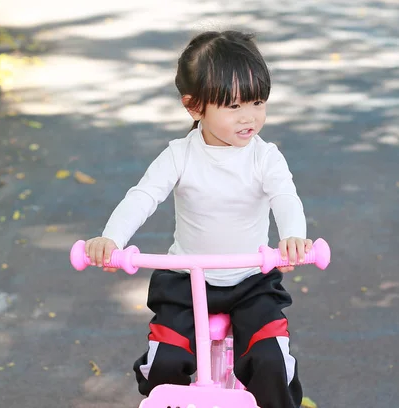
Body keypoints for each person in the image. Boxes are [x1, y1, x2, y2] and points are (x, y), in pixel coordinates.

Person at [84, 30, 312, 408]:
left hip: (252, 280)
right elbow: (143, 196)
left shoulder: (264, 157)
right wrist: (112, 240)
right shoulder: (179, 155)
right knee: (165, 362)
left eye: (257, 102)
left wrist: (293, 236)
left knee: (271, 361)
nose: (250, 117)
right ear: (194, 107)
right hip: (186, 282)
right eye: (234, 106)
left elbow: (285, 197)